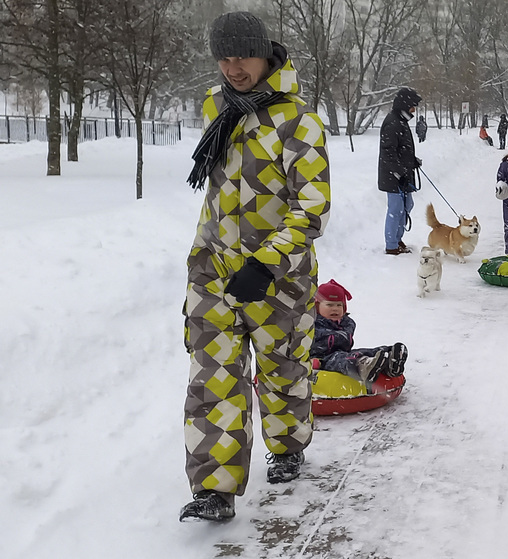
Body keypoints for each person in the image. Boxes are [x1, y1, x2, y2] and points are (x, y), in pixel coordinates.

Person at [180, 11, 331, 522]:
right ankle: (213, 489)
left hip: (278, 278)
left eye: (241, 56)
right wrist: (208, 251)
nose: (232, 67)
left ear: (264, 53)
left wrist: (266, 263)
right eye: (223, 57)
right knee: (212, 378)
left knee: (281, 369)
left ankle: (287, 446)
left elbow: (311, 207)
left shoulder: (298, 121)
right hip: (213, 269)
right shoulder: (218, 112)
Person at [310, 279, 408, 383]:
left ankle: (390, 360)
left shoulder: (347, 323)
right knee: (343, 360)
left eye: (339, 305)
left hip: (343, 353)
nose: (335, 309)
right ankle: (365, 368)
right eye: (329, 305)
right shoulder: (311, 323)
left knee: (362, 352)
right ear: (317, 307)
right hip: (322, 360)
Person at [378, 87, 422, 255]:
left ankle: (398, 239)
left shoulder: (401, 121)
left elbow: (401, 149)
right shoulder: (393, 122)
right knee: (395, 209)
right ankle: (391, 245)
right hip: (393, 176)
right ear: (405, 105)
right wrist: (399, 173)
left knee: (407, 205)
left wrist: (412, 161)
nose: (414, 110)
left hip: (403, 174)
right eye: (412, 106)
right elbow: (388, 152)